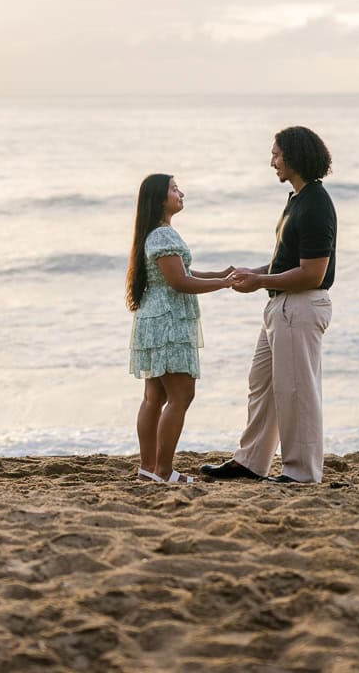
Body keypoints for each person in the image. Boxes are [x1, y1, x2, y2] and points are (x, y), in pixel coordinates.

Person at [201, 126, 337, 484]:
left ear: (293, 156)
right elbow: (288, 262)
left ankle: (301, 472)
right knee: (262, 383)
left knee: (297, 392)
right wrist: (255, 272)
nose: (272, 161)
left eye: (276, 154)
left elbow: (312, 273)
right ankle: (250, 462)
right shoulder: (297, 200)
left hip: (301, 306)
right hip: (282, 306)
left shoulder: (317, 205)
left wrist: (261, 281)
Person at [126, 173, 235, 484]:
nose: (181, 193)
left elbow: (181, 272)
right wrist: (224, 284)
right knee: (181, 394)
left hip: (156, 318)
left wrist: (220, 274)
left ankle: (148, 469)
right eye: (175, 189)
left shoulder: (157, 234)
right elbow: (180, 282)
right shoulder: (163, 236)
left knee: (154, 397)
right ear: (161, 198)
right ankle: (162, 470)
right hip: (168, 321)